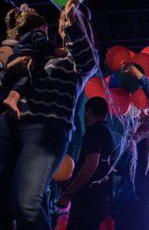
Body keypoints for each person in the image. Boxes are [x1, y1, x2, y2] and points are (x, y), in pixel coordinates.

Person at [0, 0, 98, 230]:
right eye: (64, 17)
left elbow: (87, 61)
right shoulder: (42, 51)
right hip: (9, 127)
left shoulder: (75, 61)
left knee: (26, 204)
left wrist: (74, 23)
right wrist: (9, 70)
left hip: (45, 129)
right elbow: (5, 86)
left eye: (76, 19)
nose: (65, 20)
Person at [58, 96, 114, 230]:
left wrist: (68, 193)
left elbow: (91, 164)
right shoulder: (108, 132)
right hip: (99, 199)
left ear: (88, 112)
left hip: (87, 200)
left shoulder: (94, 131)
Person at [1, 5, 63, 118]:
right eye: (46, 30)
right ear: (42, 27)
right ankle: (12, 99)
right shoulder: (38, 33)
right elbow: (43, 43)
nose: (46, 34)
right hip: (26, 58)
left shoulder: (23, 39)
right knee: (26, 78)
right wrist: (57, 50)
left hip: (15, 57)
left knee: (12, 83)